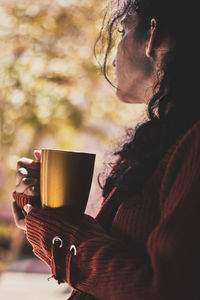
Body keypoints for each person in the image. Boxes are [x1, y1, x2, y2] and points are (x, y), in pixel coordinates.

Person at [12, 0, 200, 299]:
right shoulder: (160, 139)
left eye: (123, 30)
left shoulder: (192, 144)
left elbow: (165, 289)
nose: (112, 59)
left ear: (154, 37)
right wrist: (43, 210)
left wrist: (55, 229)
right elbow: (107, 267)